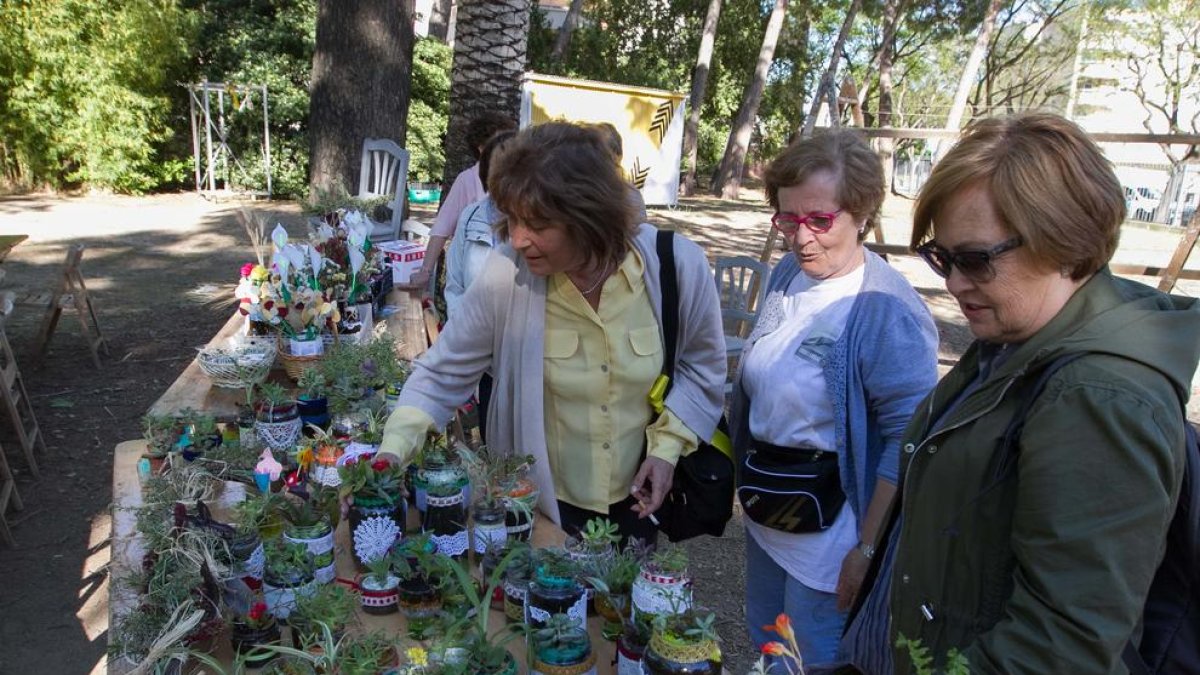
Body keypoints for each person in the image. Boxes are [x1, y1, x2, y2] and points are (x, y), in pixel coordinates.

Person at [879, 113, 1200, 673]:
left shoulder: (1097, 398)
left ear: (1066, 243)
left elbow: (1063, 647)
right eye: (942, 257)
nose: (953, 282)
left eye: (975, 259)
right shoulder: (1013, 338)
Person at [378, 122, 726, 542]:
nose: (519, 239)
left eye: (539, 224)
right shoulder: (507, 276)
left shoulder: (678, 266)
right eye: (513, 220)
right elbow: (439, 376)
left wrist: (667, 450)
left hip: (640, 506)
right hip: (538, 510)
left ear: (589, 217)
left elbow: (701, 369)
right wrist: (390, 453)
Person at [731, 129, 939, 665]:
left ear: (862, 214)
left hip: (832, 536)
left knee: (808, 659)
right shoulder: (787, 274)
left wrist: (866, 550)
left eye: (820, 220)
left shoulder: (883, 310)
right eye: (788, 219)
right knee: (767, 644)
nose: (802, 238)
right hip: (773, 506)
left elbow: (906, 439)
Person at [402, 112, 516, 292]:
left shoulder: (519, 180)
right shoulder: (467, 180)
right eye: (499, 141)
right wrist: (425, 272)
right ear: (481, 147)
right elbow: (442, 228)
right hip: (473, 285)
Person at [444, 129, 516, 316]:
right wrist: (463, 333)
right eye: (497, 171)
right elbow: (455, 287)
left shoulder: (538, 225)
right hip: (469, 336)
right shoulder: (470, 216)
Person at [594, 122, 649, 224]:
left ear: (617, 156)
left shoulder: (630, 195)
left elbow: (640, 235)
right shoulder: (580, 192)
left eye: (600, 153)